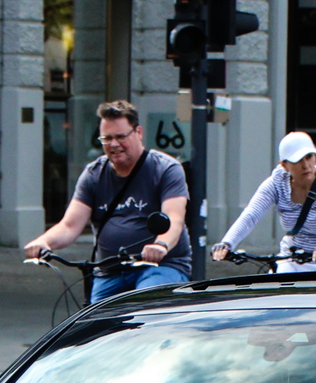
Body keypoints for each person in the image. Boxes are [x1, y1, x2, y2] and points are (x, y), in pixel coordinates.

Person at [23, 99, 191, 302]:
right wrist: (44, 242)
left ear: (139, 133)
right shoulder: (94, 174)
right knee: (95, 324)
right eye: (107, 138)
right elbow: (69, 226)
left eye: (121, 137)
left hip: (159, 266)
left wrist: (161, 245)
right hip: (110, 271)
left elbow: (174, 218)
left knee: (144, 307)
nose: (113, 144)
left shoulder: (165, 169)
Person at [213, 131, 316, 270]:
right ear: (284, 165)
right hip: (294, 258)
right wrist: (227, 243)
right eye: (297, 161)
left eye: (309, 157)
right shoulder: (276, 183)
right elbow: (251, 215)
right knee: (275, 288)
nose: (306, 165)